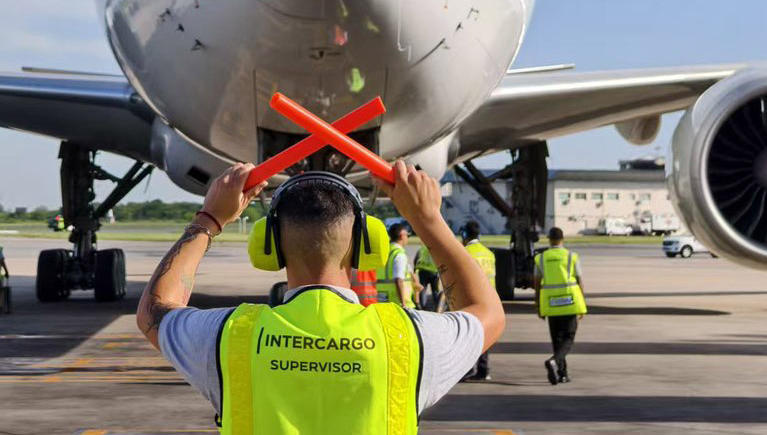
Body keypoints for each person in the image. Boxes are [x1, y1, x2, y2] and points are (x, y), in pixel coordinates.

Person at [137, 162, 505, 432]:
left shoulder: (232, 336)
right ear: (365, 245)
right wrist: (428, 219)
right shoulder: (408, 339)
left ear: (270, 246)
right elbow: (487, 312)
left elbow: (154, 310)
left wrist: (209, 220)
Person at [535, 227, 587, 384]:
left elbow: (536, 283)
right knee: (569, 337)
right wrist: (583, 303)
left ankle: (562, 373)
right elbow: (579, 281)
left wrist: (538, 305)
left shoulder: (541, 258)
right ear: (562, 239)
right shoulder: (572, 256)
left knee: (557, 340)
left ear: (549, 239)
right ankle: (554, 361)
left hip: (551, 305)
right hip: (570, 304)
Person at [459, 221, 496, 381]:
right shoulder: (489, 253)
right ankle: (483, 369)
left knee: (467, 336)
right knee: (484, 335)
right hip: (489, 300)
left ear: (465, 235)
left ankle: (467, 370)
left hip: (469, 300)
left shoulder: (463, 252)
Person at [377, 221, 419, 307]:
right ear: (401, 235)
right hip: (398, 303)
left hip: (383, 299)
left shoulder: (386, 252)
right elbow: (398, 280)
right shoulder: (399, 255)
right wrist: (403, 303)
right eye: (407, 235)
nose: (408, 238)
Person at [414, 238, 440, 310]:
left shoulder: (422, 248)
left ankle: (423, 306)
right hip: (433, 272)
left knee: (423, 290)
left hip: (423, 271)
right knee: (435, 290)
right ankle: (437, 306)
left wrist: (415, 269)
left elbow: (416, 259)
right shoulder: (437, 250)